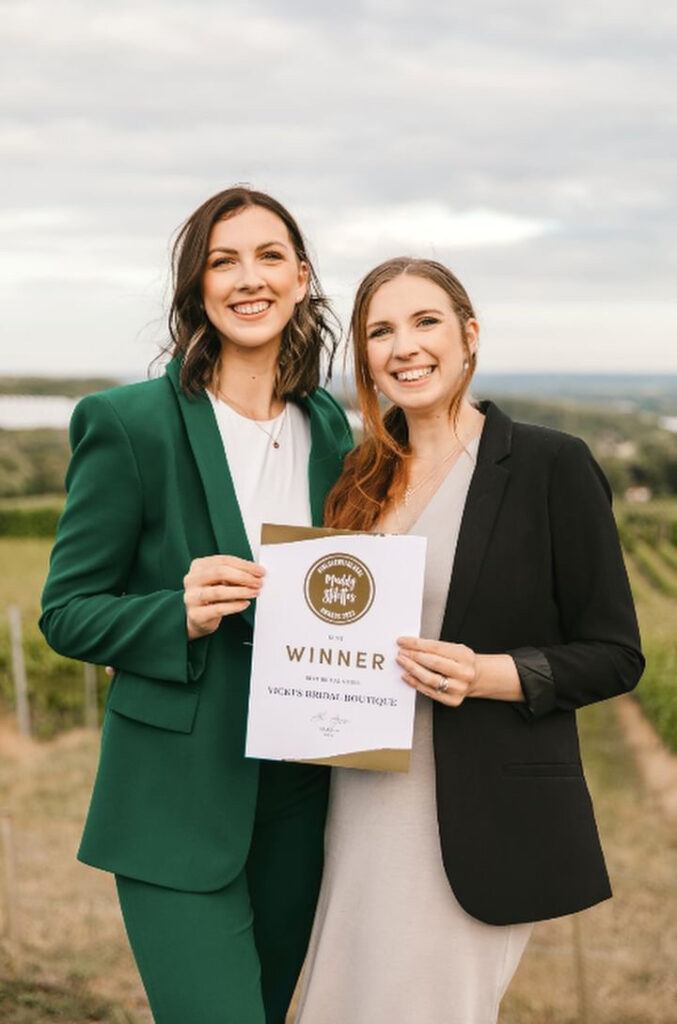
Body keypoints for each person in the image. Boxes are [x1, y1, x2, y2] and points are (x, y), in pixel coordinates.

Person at [295, 257, 644, 1024]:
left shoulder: (551, 464)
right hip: (354, 802)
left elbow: (615, 653)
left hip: (474, 818)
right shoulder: (359, 476)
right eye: (379, 331)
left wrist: (488, 674)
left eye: (425, 322)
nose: (404, 346)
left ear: (469, 335)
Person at [39, 186, 353, 1024]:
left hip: (300, 799)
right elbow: (66, 611)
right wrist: (172, 611)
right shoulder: (126, 424)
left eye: (267, 256)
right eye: (222, 261)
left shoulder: (330, 426)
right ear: (197, 288)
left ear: (300, 278)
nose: (247, 279)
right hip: (174, 802)